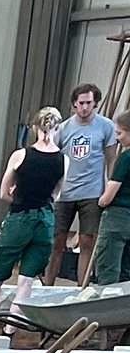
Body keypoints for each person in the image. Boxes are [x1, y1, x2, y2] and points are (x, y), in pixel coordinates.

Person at [0, 107, 66, 314]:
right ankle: (10, 332)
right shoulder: (64, 159)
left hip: (20, 219)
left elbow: (3, 194)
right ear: (57, 127)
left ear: (34, 127)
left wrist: (17, 197)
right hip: (44, 221)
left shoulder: (20, 156)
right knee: (26, 281)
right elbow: (56, 195)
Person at [51, 83, 119, 285]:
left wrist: (110, 186)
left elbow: (111, 158)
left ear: (95, 103)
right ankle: (48, 285)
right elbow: (55, 159)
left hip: (92, 192)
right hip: (65, 192)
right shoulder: (63, 129)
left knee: (87, 240)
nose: (85, 107)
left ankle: (82, 288)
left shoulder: (106, 126)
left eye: (89, 103)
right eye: (81, 103)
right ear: (74, 104)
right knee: (57, 240)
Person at [92, 111, 130, 286]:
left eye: (120, 133)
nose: (117, 138)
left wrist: (100, 201)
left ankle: (105, 309)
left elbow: (109, 196)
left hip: (117, 218)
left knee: (108, 269)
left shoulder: (125, 158)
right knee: (126, 273)